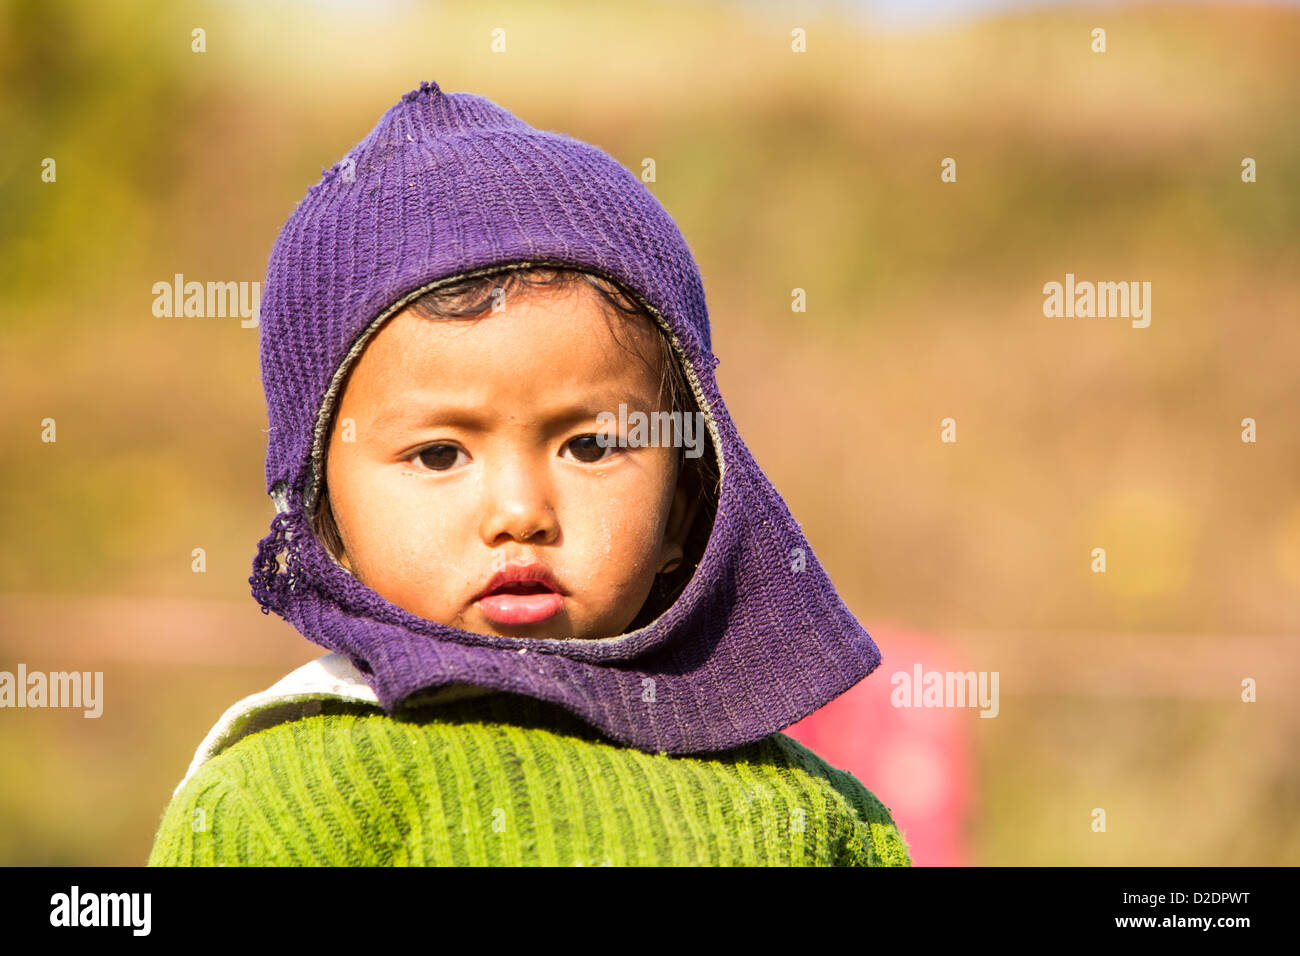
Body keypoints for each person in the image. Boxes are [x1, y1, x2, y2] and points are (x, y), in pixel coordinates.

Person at [146, 79, 911, 866]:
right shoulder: (282, 806)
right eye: (439, 454)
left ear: (687, 508)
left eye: (589, 447)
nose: (519, 512)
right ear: (323, 517)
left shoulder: (808, 819)